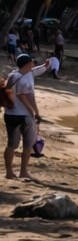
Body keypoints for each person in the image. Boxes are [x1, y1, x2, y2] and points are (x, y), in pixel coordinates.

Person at [4, 54, 41, 182]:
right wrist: (34, 112)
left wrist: (46, 65)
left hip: (9, 114)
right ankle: (23, 172)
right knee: (28, 144)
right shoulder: (24, 79)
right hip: (24, 115)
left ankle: (9, 172)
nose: (33, 65)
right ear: (28, 64)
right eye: (32, 63)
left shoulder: (12, 75)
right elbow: (26, 96)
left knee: (11, 145)